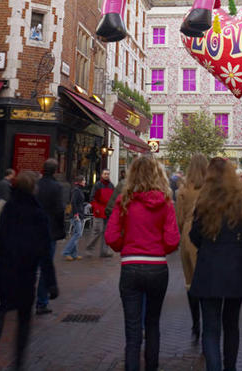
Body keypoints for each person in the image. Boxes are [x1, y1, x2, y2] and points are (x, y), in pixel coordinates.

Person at [189, 158, 242, 371]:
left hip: (208, 270)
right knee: (231, 325)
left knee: (211, 328)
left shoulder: (204, 202)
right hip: (235, 270)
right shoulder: (241, 203)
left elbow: (194, 236)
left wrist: (208, 246)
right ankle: (230, 368)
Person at [105, 156, 179, 371]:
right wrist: (159, 250)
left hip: (131, 266)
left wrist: (124, 246)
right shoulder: (165, 202)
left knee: (133, 329)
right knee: (153, 324)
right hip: (157, 267)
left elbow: (111, 236)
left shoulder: (124, 201)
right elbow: (173, 239)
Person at [0, 170, 58, 371]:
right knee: (23, 326)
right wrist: (50, 282)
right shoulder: (38, 215)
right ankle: (19, 365)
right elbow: (45, 252)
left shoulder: (2, 209)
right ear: (33, 189)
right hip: (24, 277)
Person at [175, 153, 208, 341]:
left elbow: (179, 220)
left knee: (190, 282)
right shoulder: (212, 189)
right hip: (208, 234)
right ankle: (209, 320)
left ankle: (196, 323)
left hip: (188, 235)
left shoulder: (183, 190)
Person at [35, 158, 64, 314]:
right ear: (55, 170)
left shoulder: (35, 185)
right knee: (46, 267)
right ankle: (41, 302)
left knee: (30, 266)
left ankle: (24, 298)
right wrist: (61, 230)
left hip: (32, 231)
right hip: (49, 231)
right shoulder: (56, 187)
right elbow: (59, 210)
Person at [86, 168, 114, 258]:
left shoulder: (111, 185)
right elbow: (92, 198)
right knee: (97, 231)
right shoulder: (97, 185)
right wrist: (96, 208)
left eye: (108, 174)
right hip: (99, 212)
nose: (107, 175)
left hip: (107, 212)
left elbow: (113, 198)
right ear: (102, 175)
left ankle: (104, 251)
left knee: (106, 233)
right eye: (105, 174)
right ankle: (89, 249)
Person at [62, 175, 87, 261]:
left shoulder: (78, 189)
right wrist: (76, 214)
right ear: (80, 181)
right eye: (84, 180)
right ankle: (66, 252)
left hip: (78, 214)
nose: (85, 182)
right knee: (78, 234)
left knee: (76, 233)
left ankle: (74, 254)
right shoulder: (77, 190)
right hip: (76, 216)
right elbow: (73, 202)